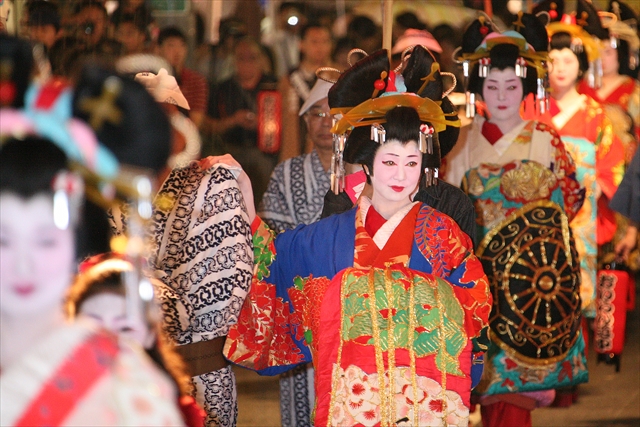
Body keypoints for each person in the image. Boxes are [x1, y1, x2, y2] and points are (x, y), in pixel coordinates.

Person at [217, 46, 492, 426]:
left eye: (412, 163)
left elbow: (474, 307)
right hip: (350, 406)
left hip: (423, 406)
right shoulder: (328, 238)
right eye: (389, 162)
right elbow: (273, 265)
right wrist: (245, 208)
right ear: (367, 164)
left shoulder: (442, 234)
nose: (401, 176)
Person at [0, 80, 184, 426]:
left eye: (45, 241)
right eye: (3, 241)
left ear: (77, 242)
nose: (23, 265)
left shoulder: (129, 388)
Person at [444, 13, 588, 427]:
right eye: (492, 86)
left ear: (526, 87)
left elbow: (569, 203)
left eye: (512, 86)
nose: (503, 95)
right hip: (476, 278)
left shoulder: (546, 138)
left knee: (513, 395)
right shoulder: (462, 141)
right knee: (478, 376)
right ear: (479, 88)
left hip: (528, 280)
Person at [147, 158, 253, 427]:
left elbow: (233, 282)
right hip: (120, 381)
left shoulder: (215, 183)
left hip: (201, 377)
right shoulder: (104, 186)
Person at [536, 3, 626, 320]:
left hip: (581, 214)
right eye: (552, 60)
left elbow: (612, 164)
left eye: (568, 59)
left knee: (575, 294)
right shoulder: (532, 109)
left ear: (581, 64)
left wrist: (598, 185)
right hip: (537, 212)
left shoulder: (595, 114)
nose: (559, 67)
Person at [258, 78, 332, 427]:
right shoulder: (286, 173)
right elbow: (271, 239)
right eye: (316, 114)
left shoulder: (368, 171)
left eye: (333, 114)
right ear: (305, 121)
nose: (326, 122)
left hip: (349, 298)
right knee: (300, 396)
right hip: (299, 300)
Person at [66, 253, 206, 427]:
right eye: (93, 327)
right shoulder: (44, 398)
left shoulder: (170, 408)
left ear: (150, 334)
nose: (108, 341)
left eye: (125, 329)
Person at [206, 36, 280, 207]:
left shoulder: (273, 85)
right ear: (234, 60)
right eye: (241, 58)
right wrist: (233, 121)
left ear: (261, 60)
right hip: (230, 150)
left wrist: (261, 124)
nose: (247, 62)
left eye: (252, 57)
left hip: (265, 154)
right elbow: (207, 126)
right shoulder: (223, 88)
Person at [578, 0, 639, 147]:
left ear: (621, 54)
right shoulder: (579, 87)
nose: (602, 59)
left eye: (608, 52)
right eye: (597, 52)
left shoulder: (633, 91)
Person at [279, 22, 333, 162]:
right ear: (301, 44)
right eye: (314, 42)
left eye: (324, 42)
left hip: (328, 153)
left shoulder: (337, 77)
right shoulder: (288, 80)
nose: (320, 47)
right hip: (293, 149)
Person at [157, 26, 209, 129]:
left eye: (182, 45)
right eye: (171, 45)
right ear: (158, 49)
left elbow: (195, 122)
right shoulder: (149, 79)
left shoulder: (196, 81)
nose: (177, 51)